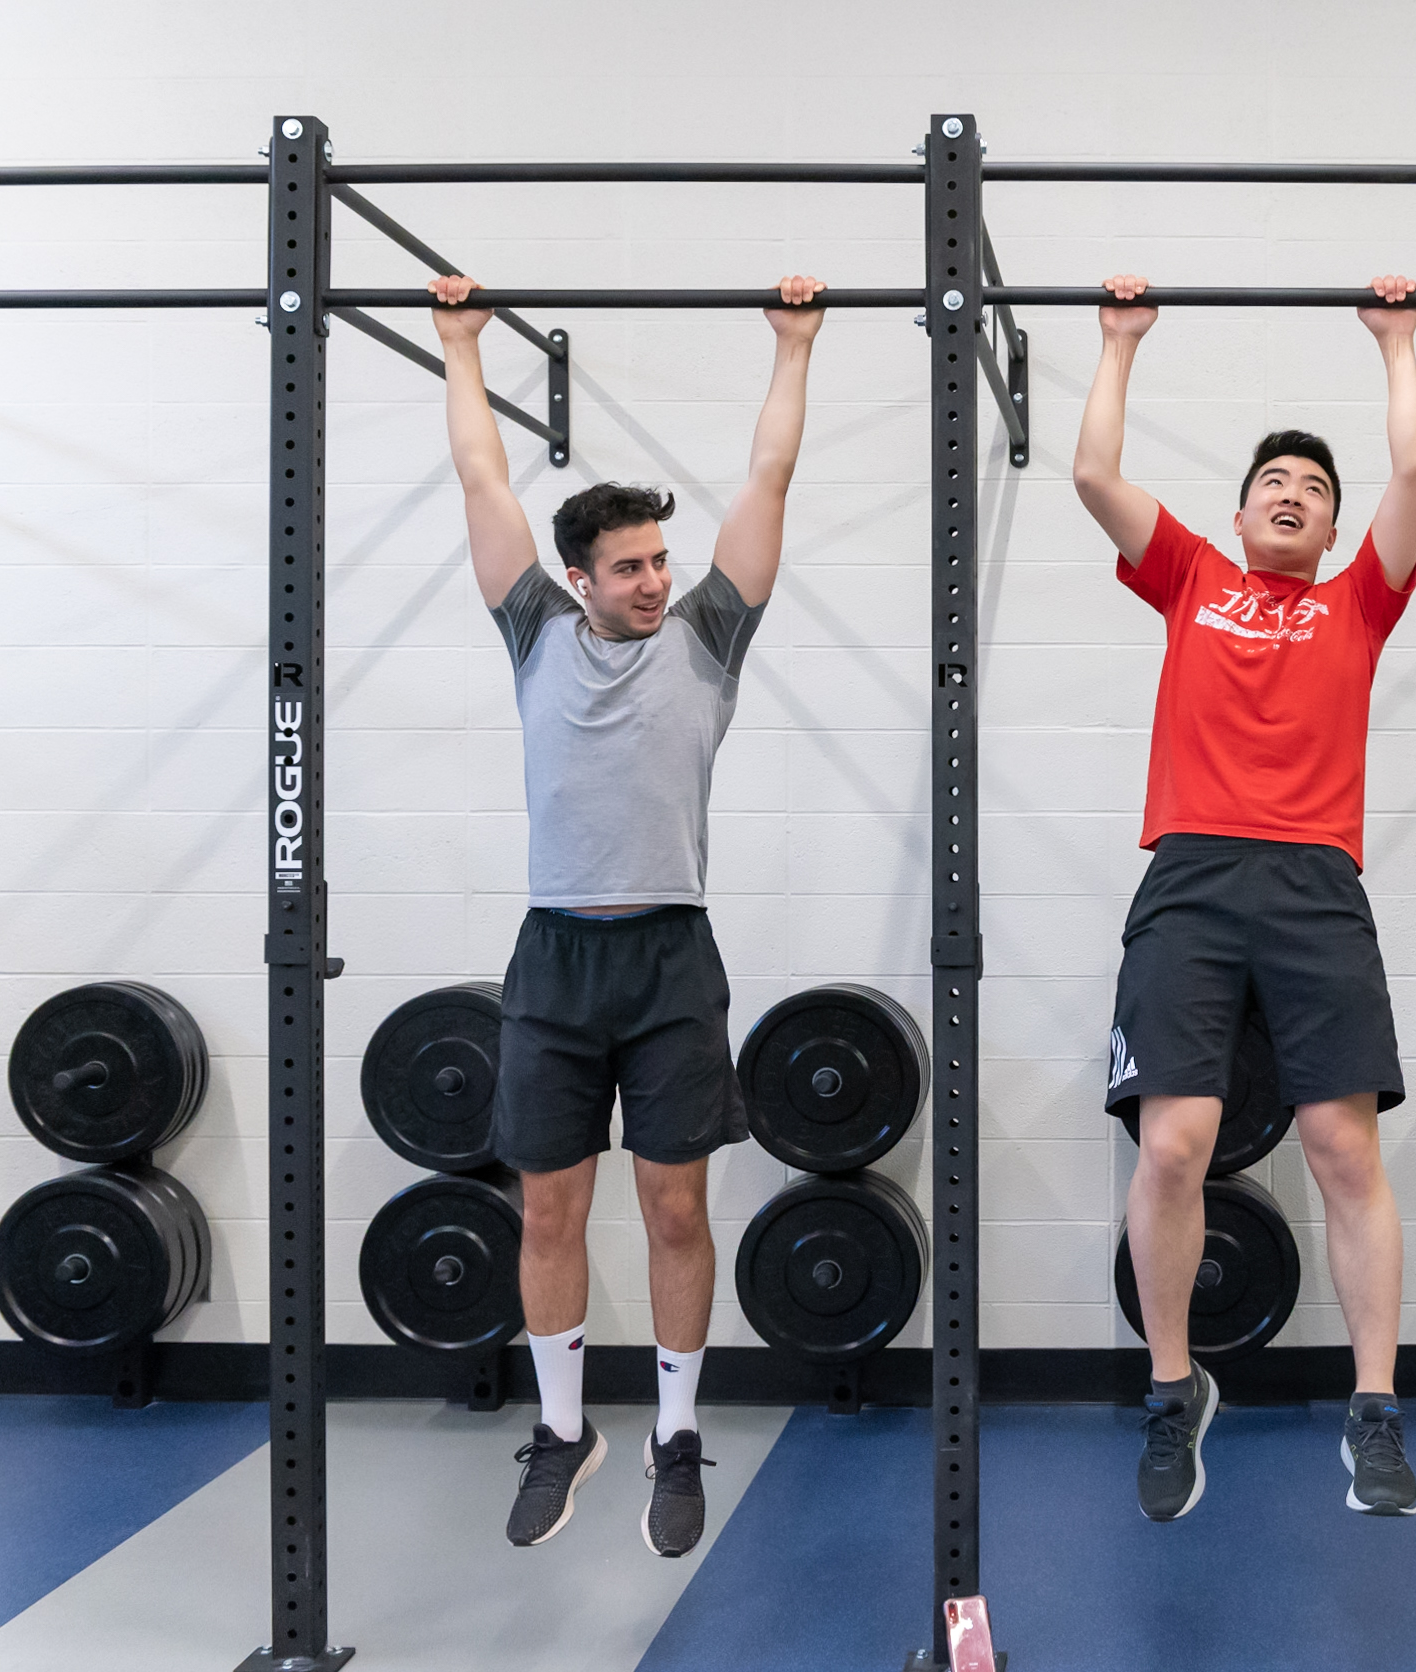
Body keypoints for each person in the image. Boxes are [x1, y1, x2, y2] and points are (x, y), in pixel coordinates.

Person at [427, 270, 829, 1554]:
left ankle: (670, 1432)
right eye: (631, 566)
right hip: (553, 955)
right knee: (546, 1209)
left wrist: (792, 346)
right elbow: (485, 486)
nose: (655, 579)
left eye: (661, 560)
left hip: (668, 958)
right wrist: (457, 342)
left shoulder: (708, 636)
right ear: (575, 576)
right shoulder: (534, 632)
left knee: (672, 1210)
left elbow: (764, 488)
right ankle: (562, 1429)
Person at [1073, 272, 1416, 1520]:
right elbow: (1090, 475)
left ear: (1334, 533)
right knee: (1172, 1143)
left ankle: (1375, 1408)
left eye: (1315, 492)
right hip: (1188, 872)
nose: (1294, 495)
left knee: (1342, 1145)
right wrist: (1119, 343)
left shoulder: (1356, 604)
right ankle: (1174, 1389)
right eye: (1274, 484)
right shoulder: (1187, 579)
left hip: (1311, 883)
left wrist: (1394, 343)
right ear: (1236, 513)